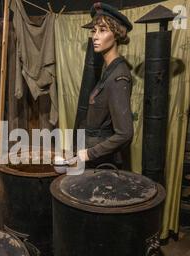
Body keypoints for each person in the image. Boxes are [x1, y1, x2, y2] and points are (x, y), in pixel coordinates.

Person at [76, 2, 134, 169]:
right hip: (95, 155)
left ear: (116, 34)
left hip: (103, 162)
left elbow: (125, 133)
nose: (95, 36)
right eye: (94, 31)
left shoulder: (119, 77)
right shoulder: (109, 70)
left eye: (102, 30)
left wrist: (89, 154)